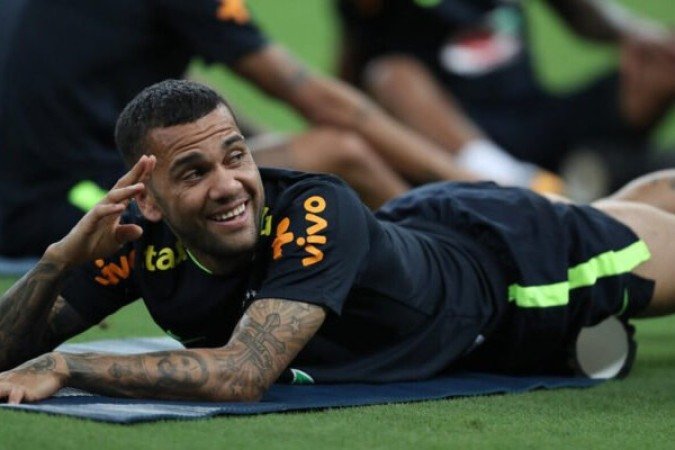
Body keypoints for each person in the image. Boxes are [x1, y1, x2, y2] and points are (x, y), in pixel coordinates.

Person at [2, 80, 674, 404]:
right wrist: (59, 261)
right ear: (148, 198)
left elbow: (241, 372)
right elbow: (7, 353)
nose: (229, 185)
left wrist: (69, 366)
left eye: (236, 156)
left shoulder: (314, 211)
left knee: (635, 231)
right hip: (427, 228)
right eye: (194, 172)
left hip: (519, 273)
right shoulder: (134, 238)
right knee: (636, 205)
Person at [1, 0, 563, 260]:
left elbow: (178, 93)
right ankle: (471, 245)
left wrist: (255, 143)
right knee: (339, 151)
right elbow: (322, 102)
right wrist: (474, 181)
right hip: (78, 210)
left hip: (16, 204)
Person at [336, 0, 675, 199]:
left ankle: (614, 172)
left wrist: (637, 32)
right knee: (390, 74)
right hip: (453, 141)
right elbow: (356, 64)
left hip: (536, 115)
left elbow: (582, 15)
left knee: (667, 62)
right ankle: (515, 186)